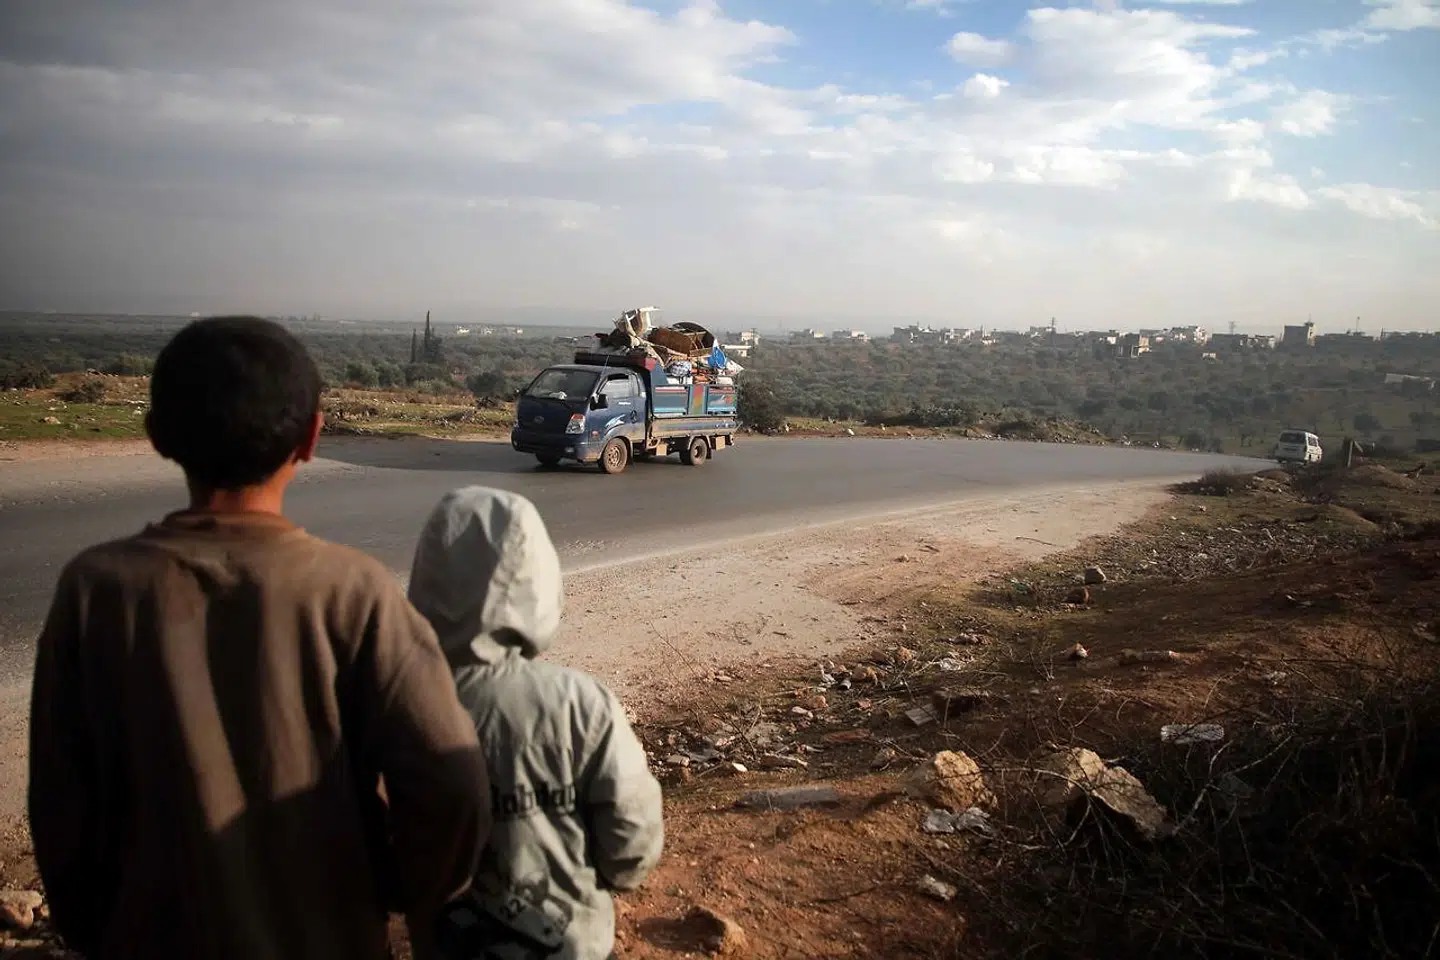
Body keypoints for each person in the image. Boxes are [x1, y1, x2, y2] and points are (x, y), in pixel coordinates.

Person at [27, 316, 490, 960]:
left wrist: (97, 926)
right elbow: (452, 784)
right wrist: (391, 888)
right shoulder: (353, 591)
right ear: (310, 437)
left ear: (157, 434)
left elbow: (59, 807)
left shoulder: (95, 592)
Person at [407, 486, 664, 960]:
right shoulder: (581, 704)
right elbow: (631, 840)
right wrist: (599, 877)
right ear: (539, 580)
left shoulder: (402, 706)